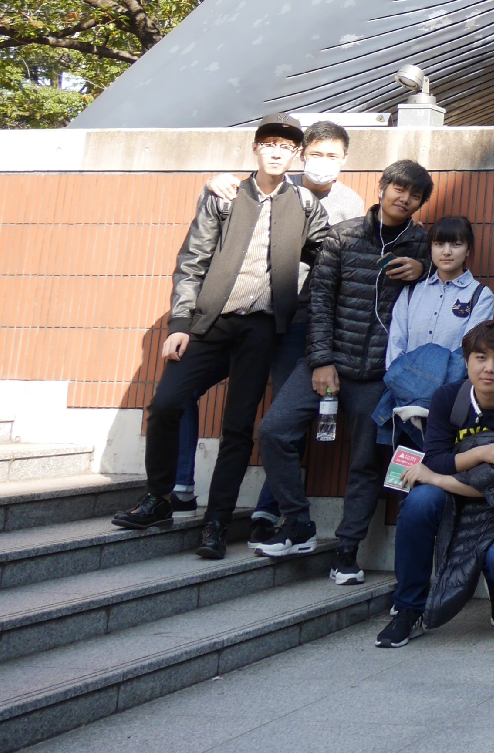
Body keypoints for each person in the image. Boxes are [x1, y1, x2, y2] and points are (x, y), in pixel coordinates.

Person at [114, 114, 338, 559]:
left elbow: (330, 255)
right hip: (211, 322)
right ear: (256, 148)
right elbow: (191, 260)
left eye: (286, 146)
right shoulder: (225, 196)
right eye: (269, 143)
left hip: (261, 327)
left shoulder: (308, 206)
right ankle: (159, 497)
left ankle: (215, 522)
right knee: (165, 404)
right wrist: (179, 326)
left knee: (238, 428)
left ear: (296, 155)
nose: (277, 151)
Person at [177, 120, 373, 513]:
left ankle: (271, 506)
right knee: (178, 390)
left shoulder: (350, 205)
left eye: (332, 156)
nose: (323, 162)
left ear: (345, 160)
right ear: (302, 154)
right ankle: (181, 481)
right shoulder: (279, 187)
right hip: (248, 317)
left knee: (287, 410)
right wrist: (212, 183)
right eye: (316, 154)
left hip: (302, 321)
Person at [255, 159, 435, 578]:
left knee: (367, 463)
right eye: (398, 188)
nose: (403, 198)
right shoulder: (343, 236)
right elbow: (318, 302)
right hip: (328, 362)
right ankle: (298, 522)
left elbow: (451, 273)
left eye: (414, 194)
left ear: (421, 202)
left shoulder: (423, 244)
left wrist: (423, 269)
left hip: (379, 376)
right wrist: (321, 361)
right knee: (274, 431)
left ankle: (347, 549)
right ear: (382, 186)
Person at [376, 319, 494, 648]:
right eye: (480, 358)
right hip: (453, 497)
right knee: (419, 503)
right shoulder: (448, 397)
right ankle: (408, 608)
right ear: (466, 361)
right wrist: (481, 454)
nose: (489, 368)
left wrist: (436, 476)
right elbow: (435, 458)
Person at [384, 216, 493, 372]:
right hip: (403, 387)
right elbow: (396, 343)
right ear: (431, 248)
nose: (446, 252)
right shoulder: (412, 291)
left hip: (449, 389)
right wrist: (400, 380)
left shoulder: (480, 296)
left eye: (456, 245)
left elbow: (470, 352)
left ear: (468, 250)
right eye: (439, 244)